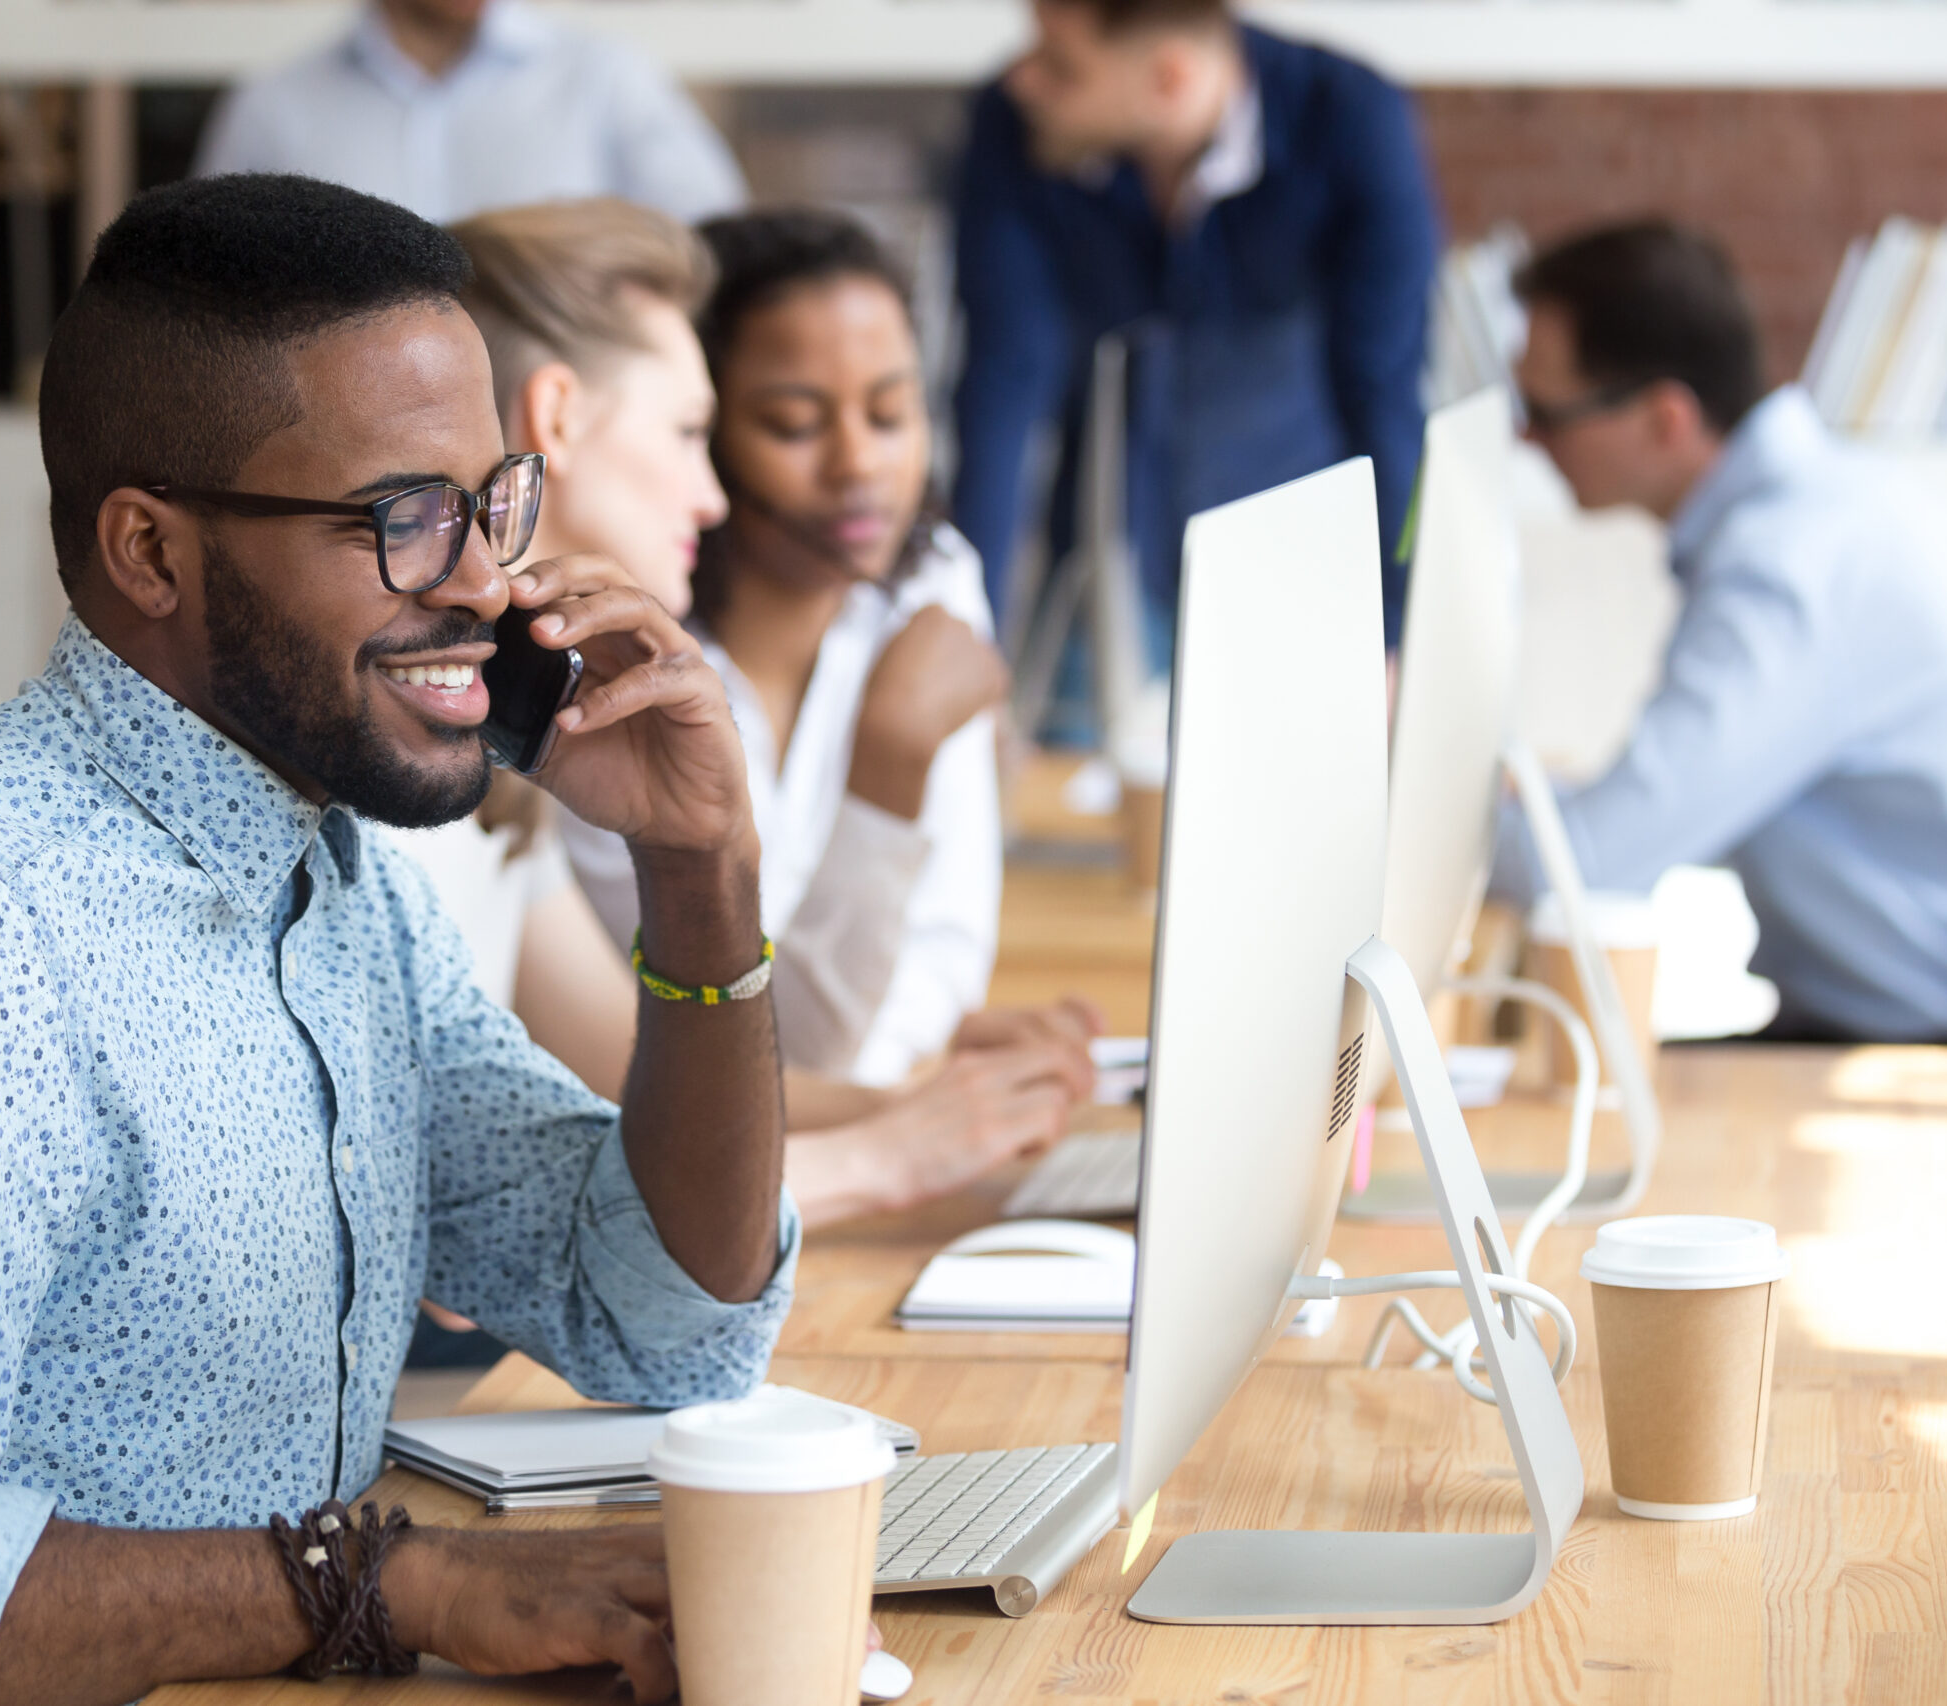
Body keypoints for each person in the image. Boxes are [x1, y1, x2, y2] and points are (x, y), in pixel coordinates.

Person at [0, 174, 795, 1706]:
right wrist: (383, 1579)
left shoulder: (330, 868)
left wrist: (701, 873)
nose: (482, 578)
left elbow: (663, 1314)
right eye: (402, 518)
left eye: (489, 500)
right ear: (150, 554)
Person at [438, 198, 1099, 1227]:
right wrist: (893, 1147)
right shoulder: (443, 736)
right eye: (696, 432)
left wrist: (929, 1110)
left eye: (891, 412)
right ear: (558, 420)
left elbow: (631, 1074)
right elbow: (547, 1194)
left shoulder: (491, 724)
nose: (712, 495)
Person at [1493, 218, 1947, 1236]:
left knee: (1558, 1177)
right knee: (1545, 1142)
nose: (1527, 441)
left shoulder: (1789, 570)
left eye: (1545, 412)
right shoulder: (1820, 510)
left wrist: (1427, 814)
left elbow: (1590, 862)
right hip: (1878, 1029)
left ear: (1663, 418)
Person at [560, 206, 1032, 1097]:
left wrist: (916, 1095)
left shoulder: (933, 586)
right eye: (793, 424)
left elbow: (942, 959)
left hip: (868, 1120)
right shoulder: (612, 662)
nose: (860, 463)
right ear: (704, 431)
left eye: (891, 414)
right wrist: (888, 763)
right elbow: (766, 1052)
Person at [951, 0, 1440, 655]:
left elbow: (1382, 390)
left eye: (1062, 66)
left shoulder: (1352, 118)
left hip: (1290, 539)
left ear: (1168, 80)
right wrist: (964, 633)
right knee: (1071, 742)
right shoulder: (1013, 125)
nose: (1022, 80)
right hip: (1103, 545)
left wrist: (1403, 627)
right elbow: (1002, 382)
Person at [193, 0, 743, 226]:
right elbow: (209, 290)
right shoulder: (273, 104)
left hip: (567, 433)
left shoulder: (607, 79)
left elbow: (711, 242)